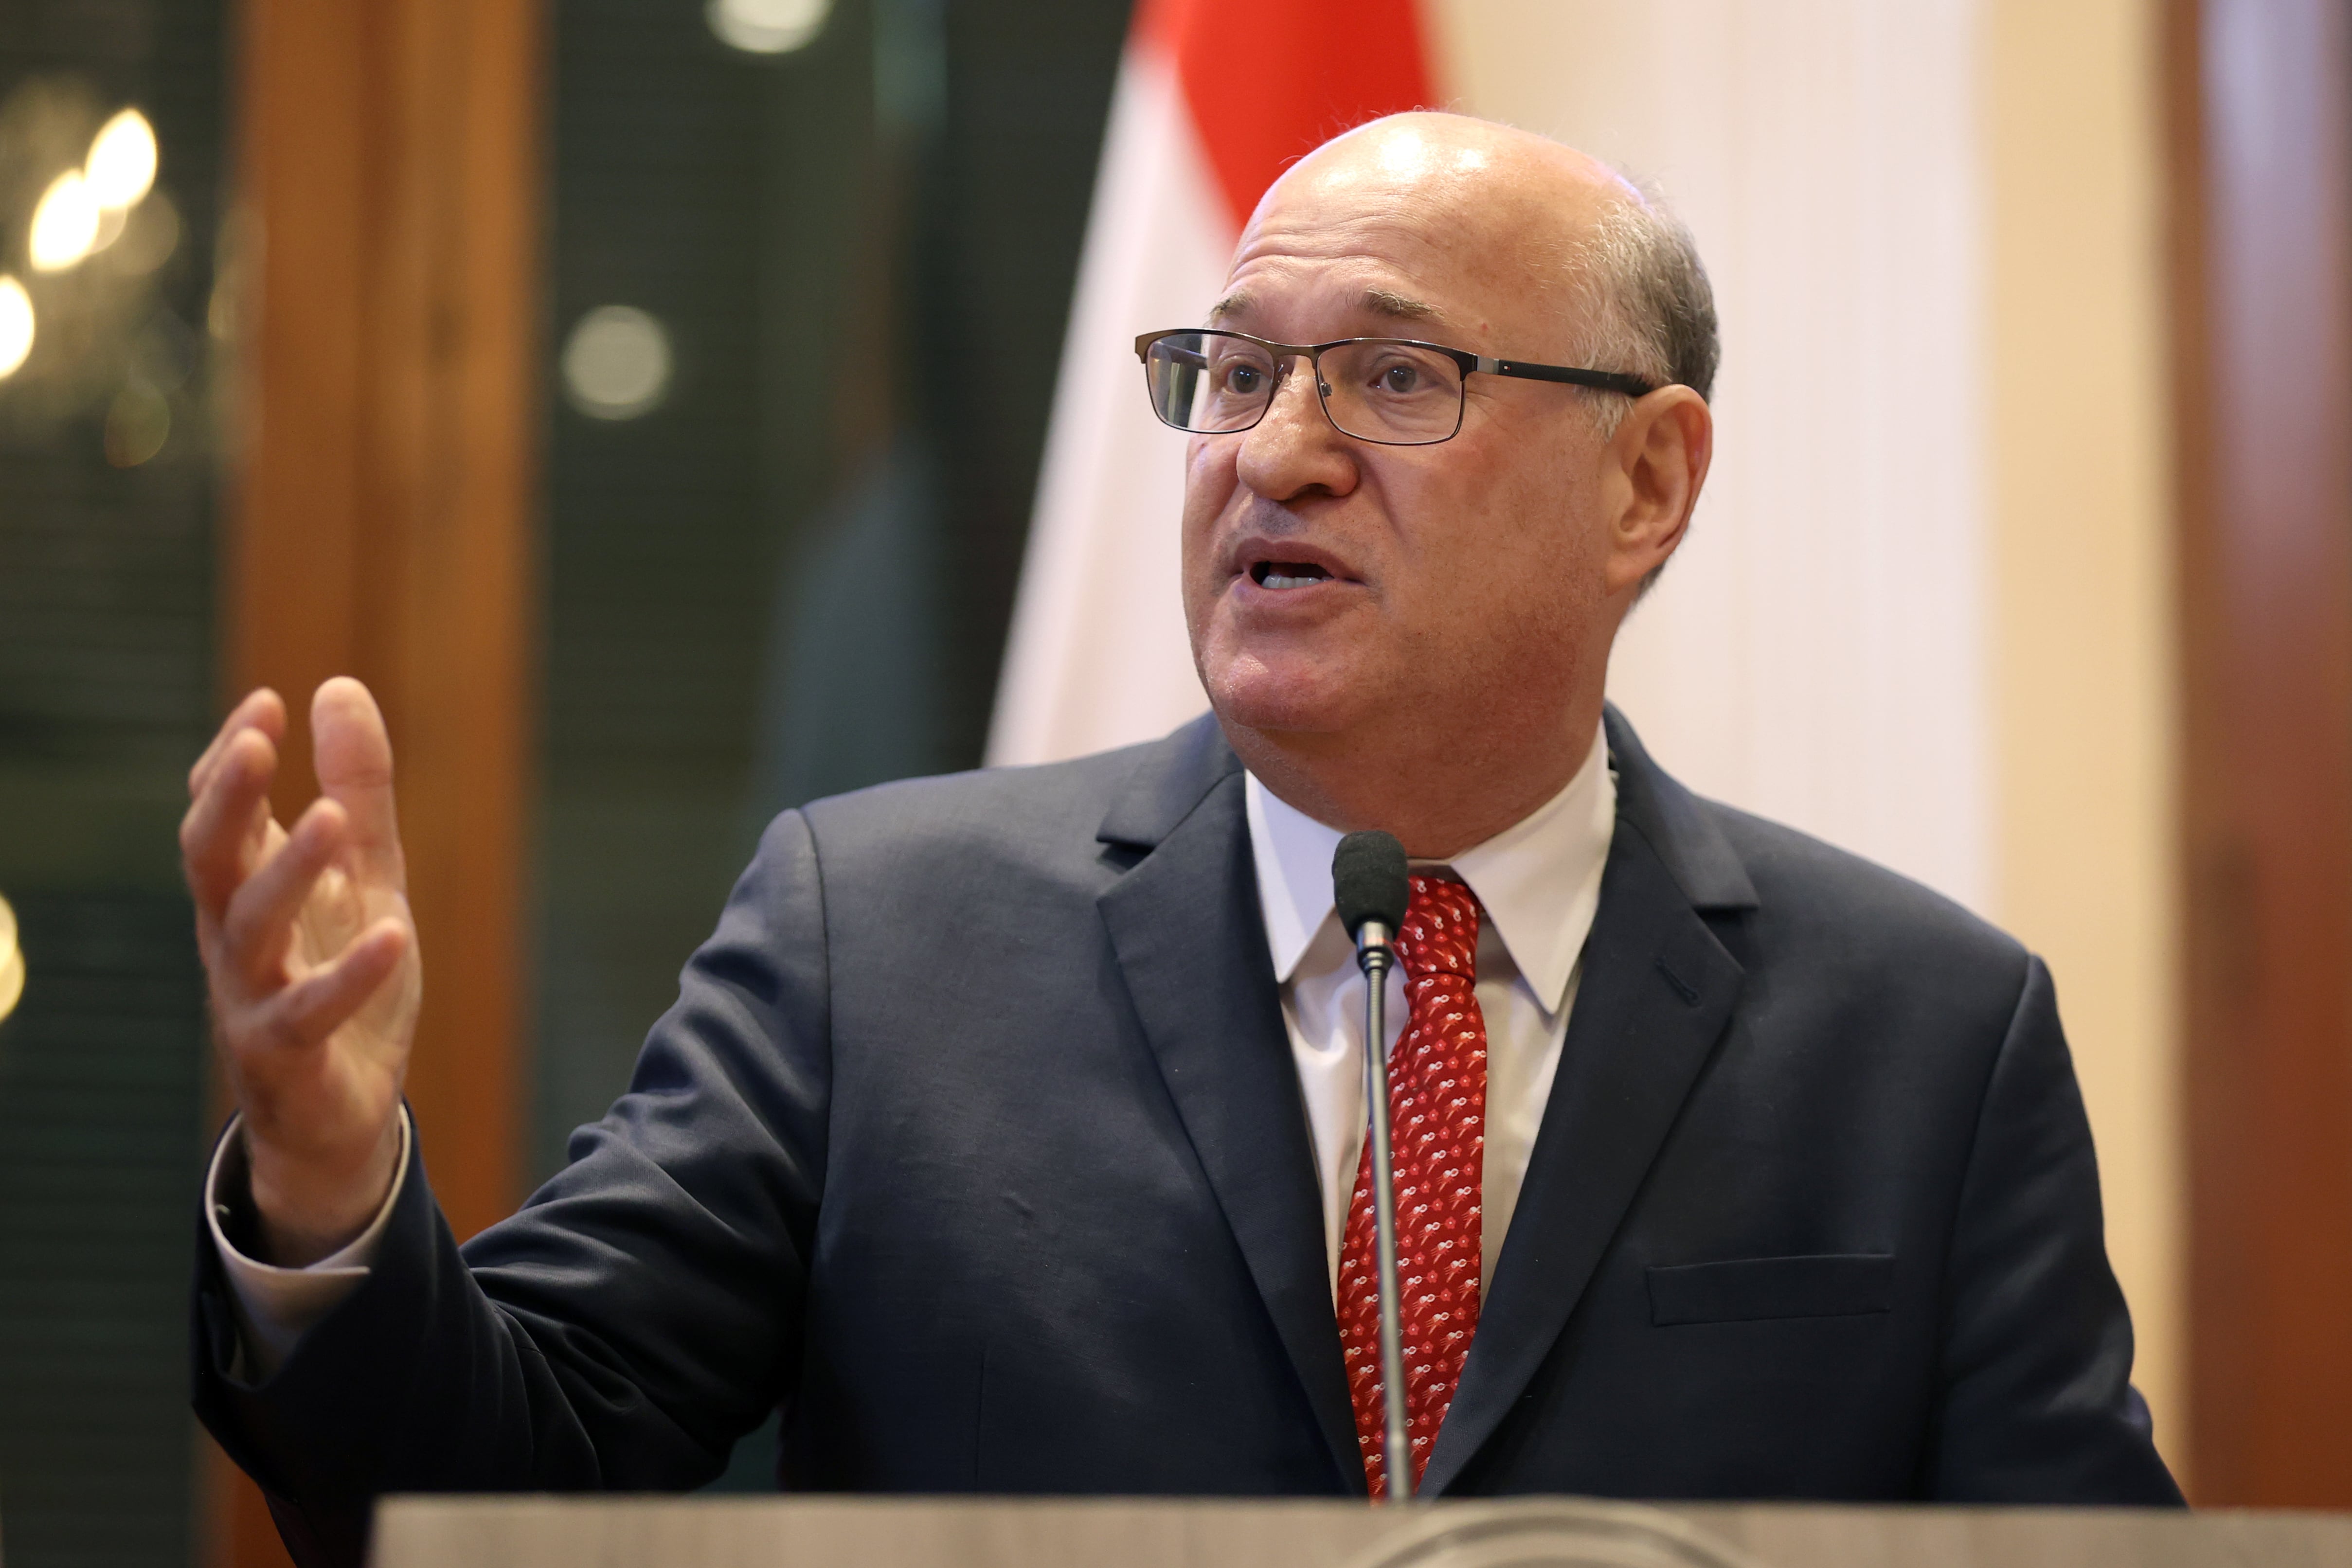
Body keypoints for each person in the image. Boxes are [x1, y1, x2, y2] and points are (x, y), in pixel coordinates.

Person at [185, 113, 2181, 1566]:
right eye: (1232, 371)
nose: (1273, 448)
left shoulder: (1929, 1033)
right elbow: (478, 1488)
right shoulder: (875, 943)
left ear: (1645, 479)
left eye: (1396, 373)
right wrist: (331, 1189)